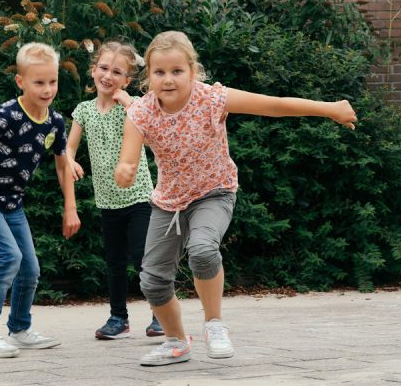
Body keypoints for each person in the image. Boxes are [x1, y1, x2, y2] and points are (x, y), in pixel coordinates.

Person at [114, 31, 357, 366]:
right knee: (152, 279)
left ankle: (214, 325)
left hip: (214, 192)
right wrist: (124, 171)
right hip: (168, 202)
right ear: (148, 76)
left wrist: (330, 109)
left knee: (202, 249)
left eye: (176, 71)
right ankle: (175, 342)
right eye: (159, 72)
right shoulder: (141, 112)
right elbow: (127, 159)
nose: (168, 80)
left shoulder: (212, 99)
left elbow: (273, 105)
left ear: (193, 71)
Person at [0, 42, 81, 358]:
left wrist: (71, 207)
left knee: (30, 269)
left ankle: (19, 328)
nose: (47, 89)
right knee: (9, 257)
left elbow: (62, 164)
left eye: (52, 81)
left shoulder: (54, 122)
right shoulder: (6, 115)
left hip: (13, 203)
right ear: (21, 82)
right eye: (39, 82)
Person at [65, 40, 164, 340]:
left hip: (138, 198)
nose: (108, 76)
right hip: (107, 200)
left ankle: (160, 315)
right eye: (104, 68)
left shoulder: (131, 107)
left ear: (126, 80)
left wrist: (128, 102)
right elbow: (67, 148)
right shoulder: (83, 110)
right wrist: (69, 161)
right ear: (93, 70)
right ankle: (118, 318)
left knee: (143, 258)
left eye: (117, 72)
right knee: (114, 262)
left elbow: (150, 136)